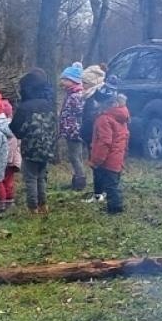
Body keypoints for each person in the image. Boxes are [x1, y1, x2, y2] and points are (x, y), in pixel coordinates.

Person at [11, 69, 61, 215]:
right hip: (48, 148)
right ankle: (43, 205)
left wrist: (22, 135)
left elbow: (15, 128)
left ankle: (32, 207)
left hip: (30, 149)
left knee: (31, 178)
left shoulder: (25, 107)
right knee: (42, 177)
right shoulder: (49, 104)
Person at [88, 87, 130, 215]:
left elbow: (104, 142)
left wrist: (96, 160)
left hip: (108, 158)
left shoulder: (104, 119)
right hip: (117, 156)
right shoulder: (120, 115)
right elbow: (125, 135)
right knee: (114, 183)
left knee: (111, 186)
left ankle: (115, 210)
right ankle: (115, 207)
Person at [59, 64, 88, 191]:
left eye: (65, 80)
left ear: (73, 81)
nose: (62, 82)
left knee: (74, 156)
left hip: (74, 131)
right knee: (77, 155)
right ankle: (77, 178)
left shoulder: (76, 96)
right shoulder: (72, 94)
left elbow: (80, 113)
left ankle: (80, 181)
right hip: (72, 130)